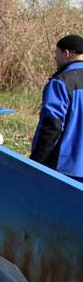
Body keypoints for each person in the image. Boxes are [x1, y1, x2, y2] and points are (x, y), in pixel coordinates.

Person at [30, 34, 83, 182]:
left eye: (56, 53)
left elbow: (52, 125)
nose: (55, 58)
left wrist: (36, 161)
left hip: (64, 168)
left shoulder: (61, 82)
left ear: (66, 53)